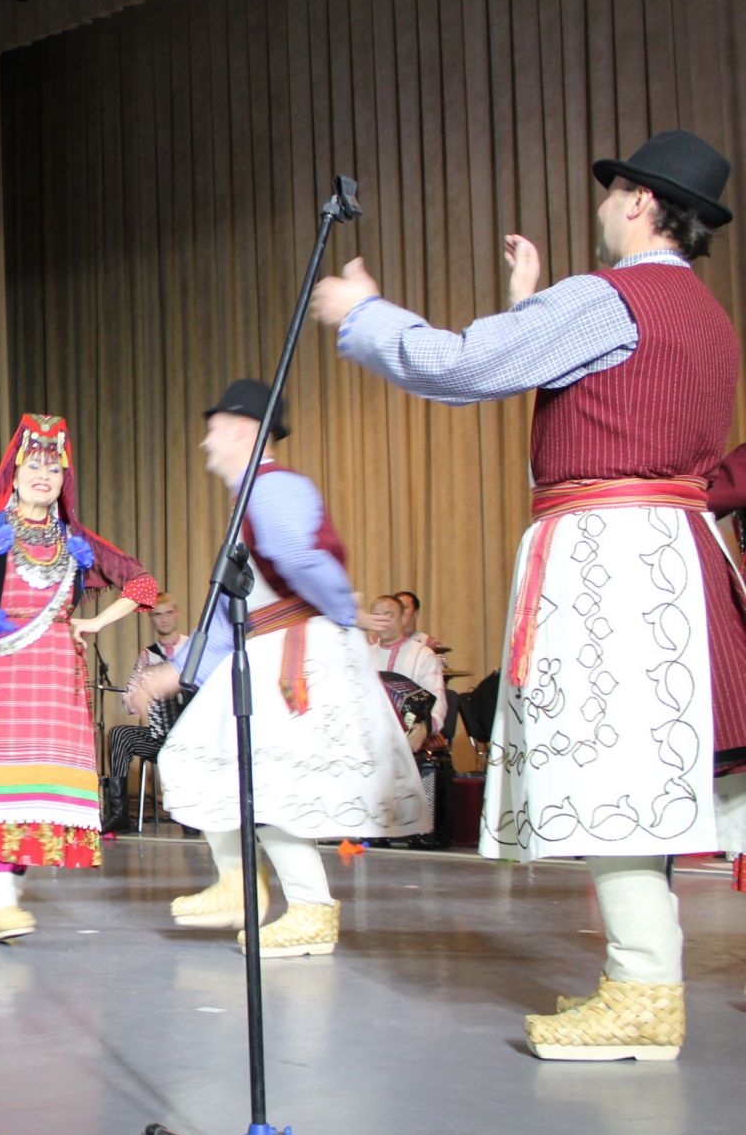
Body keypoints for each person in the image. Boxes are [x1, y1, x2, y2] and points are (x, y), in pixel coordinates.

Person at [311, 129, 746, 1059]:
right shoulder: (705, 315)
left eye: (610, 193)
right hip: (677, 547)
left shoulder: (610, 296)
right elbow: (604, 385)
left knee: (615, 767)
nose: (601, 208)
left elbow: (465, 365)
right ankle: (644, 983)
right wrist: (532, 311)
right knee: (645, 769)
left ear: (637, 201)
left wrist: (364, 312)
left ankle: (642, 992)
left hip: (611, 550)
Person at [131, 381, 425, 957]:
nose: (204, 443)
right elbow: (227, 608)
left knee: (268, 784)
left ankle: (311, 910)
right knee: (201, 758)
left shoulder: (276, 488)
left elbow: (296, 556)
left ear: (243, 429)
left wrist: (343, 607)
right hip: (266, 646)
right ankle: (239, 885)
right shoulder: (250, 497)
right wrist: (180, 671)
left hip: (295, 651)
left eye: (213, 428)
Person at [0, 414, 157, 942]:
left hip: (57, 679)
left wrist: (93, 620)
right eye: (33, 464)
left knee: (36, 796)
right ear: (13, 475)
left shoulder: (75, 540)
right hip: (3, 677)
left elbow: (143, 585)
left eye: (54, 468)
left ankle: (5, 896)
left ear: (65, 481)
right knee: (1, 791)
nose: (44, 474)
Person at [102, 593, 187, 833]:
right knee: (119, 734)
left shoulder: (192, 648)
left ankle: (193, 817)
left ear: (176, 613)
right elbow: (129, 702)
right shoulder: (147, 655)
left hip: (193, 739)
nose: (163, 620)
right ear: (151, 619)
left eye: (168, 613)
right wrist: (137, 694)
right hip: (161, 738)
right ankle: (118, 813)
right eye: (157, 615)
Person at [365, 594, 447, 735]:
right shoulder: (364, 657)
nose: (382, 621)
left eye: (388, 615)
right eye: (377, 616)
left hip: (413, 739)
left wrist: (424, 730)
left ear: (402, 618)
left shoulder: (423, 655)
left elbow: (438, 702)